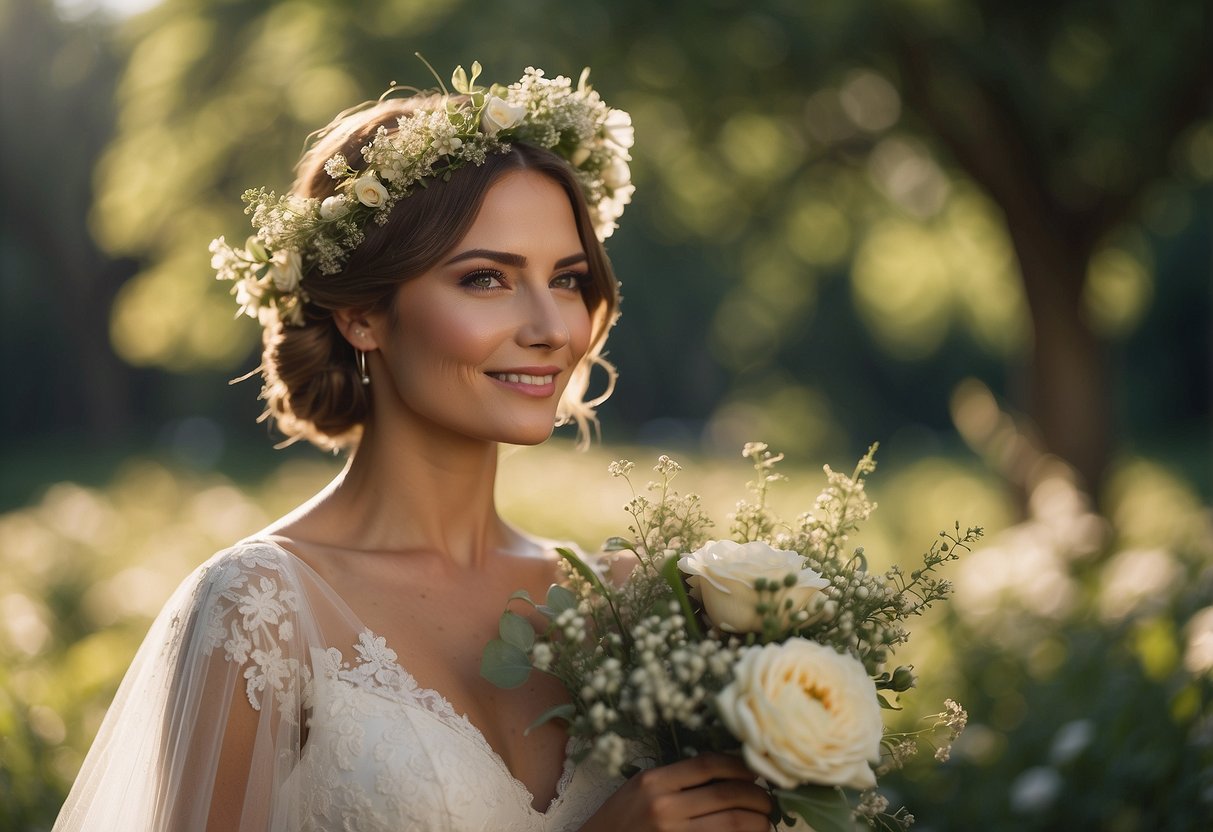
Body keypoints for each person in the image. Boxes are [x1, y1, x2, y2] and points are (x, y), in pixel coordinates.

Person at [53, 65, 774, 831]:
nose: (550, 328)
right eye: (486, 279)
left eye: (565, 279)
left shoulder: (626, 602)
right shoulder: (262, 610)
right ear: (362, 316)